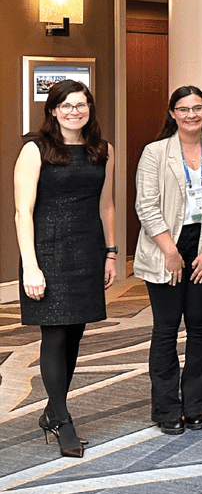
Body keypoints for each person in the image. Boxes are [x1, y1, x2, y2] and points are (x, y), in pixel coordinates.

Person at [16, 81, 117, 458]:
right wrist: (30, 266)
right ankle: (62, 418)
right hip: (48, 252)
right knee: (55, 334)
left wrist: (111, 253)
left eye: (82, 105)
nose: (75, 111)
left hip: (88, 250)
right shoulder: (35, 149)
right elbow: (22, 211)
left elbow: (106, 205)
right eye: (67, 105)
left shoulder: (103, 150)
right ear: (54, 110)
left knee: (75, 332)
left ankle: (52, 409)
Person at [134, 86, 202, 436]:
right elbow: (146, 205)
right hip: (166, 246)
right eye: (184, 109)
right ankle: (166, 409)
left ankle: (196, 406)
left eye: (198, 108)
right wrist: (170, 251)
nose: (192, 115)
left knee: (200, 327)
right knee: (166, 328)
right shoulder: (155, 152)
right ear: (172, 113)